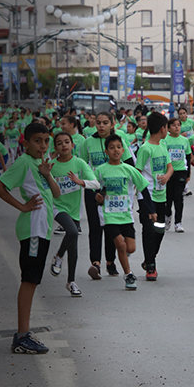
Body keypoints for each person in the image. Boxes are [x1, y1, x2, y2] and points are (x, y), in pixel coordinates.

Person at [0, 123, 61, 354]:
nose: (42, 146)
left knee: (33, 280)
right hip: (33, 230)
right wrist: (22, 206)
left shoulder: (40, 165)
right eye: (37, 141)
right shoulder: (23, 163)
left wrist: (47, 174)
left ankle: (23, 333)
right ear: (26, 143)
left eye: (45, 141)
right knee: (29, 280)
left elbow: (57, 193)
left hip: (43, 229)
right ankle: (22, 335)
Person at [94, 134, 156, 290]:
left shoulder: (129, 169)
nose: (116, 150)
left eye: (118, 147)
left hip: (125, 215)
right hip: (108, 215)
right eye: (112, 147)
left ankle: (123, 256)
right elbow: (92, 190)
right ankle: (128, 275)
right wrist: (97, 197)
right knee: (121, 245)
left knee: (130, 248)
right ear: (106, 151)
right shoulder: (100, 170)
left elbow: (143, 188)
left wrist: (151, 210)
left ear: (123, 150)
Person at [80, 111, 136, 280]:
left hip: (114, 193)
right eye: (98, 122)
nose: (101, 126)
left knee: (112, 228)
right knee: (95, 227)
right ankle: (95, 263)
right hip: (93, 190)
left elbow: (129, 165)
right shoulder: (87, 142)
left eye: (105, 122)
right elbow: (82, 166)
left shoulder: (119, 139)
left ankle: (110, 262)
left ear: (112, 123)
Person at [50, 132, 99, 297]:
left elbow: (96, 183)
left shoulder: (79, 163)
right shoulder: (51, 165)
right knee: (71, 231)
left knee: (74, 248)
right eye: (59, 143)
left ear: (72, 145)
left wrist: (81, 182)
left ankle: (71, 282)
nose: (63, 145)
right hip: (57, 207)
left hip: (74, 211)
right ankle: (58, 256)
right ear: (55, 147)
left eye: (66, 142)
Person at [135, 113, 173, 281]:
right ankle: (151, 265)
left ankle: (149, 257)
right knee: (149, 230)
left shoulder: (163, 145)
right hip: (147, 196)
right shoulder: (145, 148)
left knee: (159, 230)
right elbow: (137, 173)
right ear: (162, 128)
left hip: (161, 195)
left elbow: (170, 167)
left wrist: (166, 176)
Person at [163, 118, 191, 233]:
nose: (177, 127)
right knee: (168, 198)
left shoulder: (184, 140)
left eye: (178, 125)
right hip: (168, 172)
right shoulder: (165, 141)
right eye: (173, 125)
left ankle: (178, 222)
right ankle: (167, 215)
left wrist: (188, 173)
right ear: (168, 128)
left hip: (181, 172)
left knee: (178, 197)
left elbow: (188, 157)